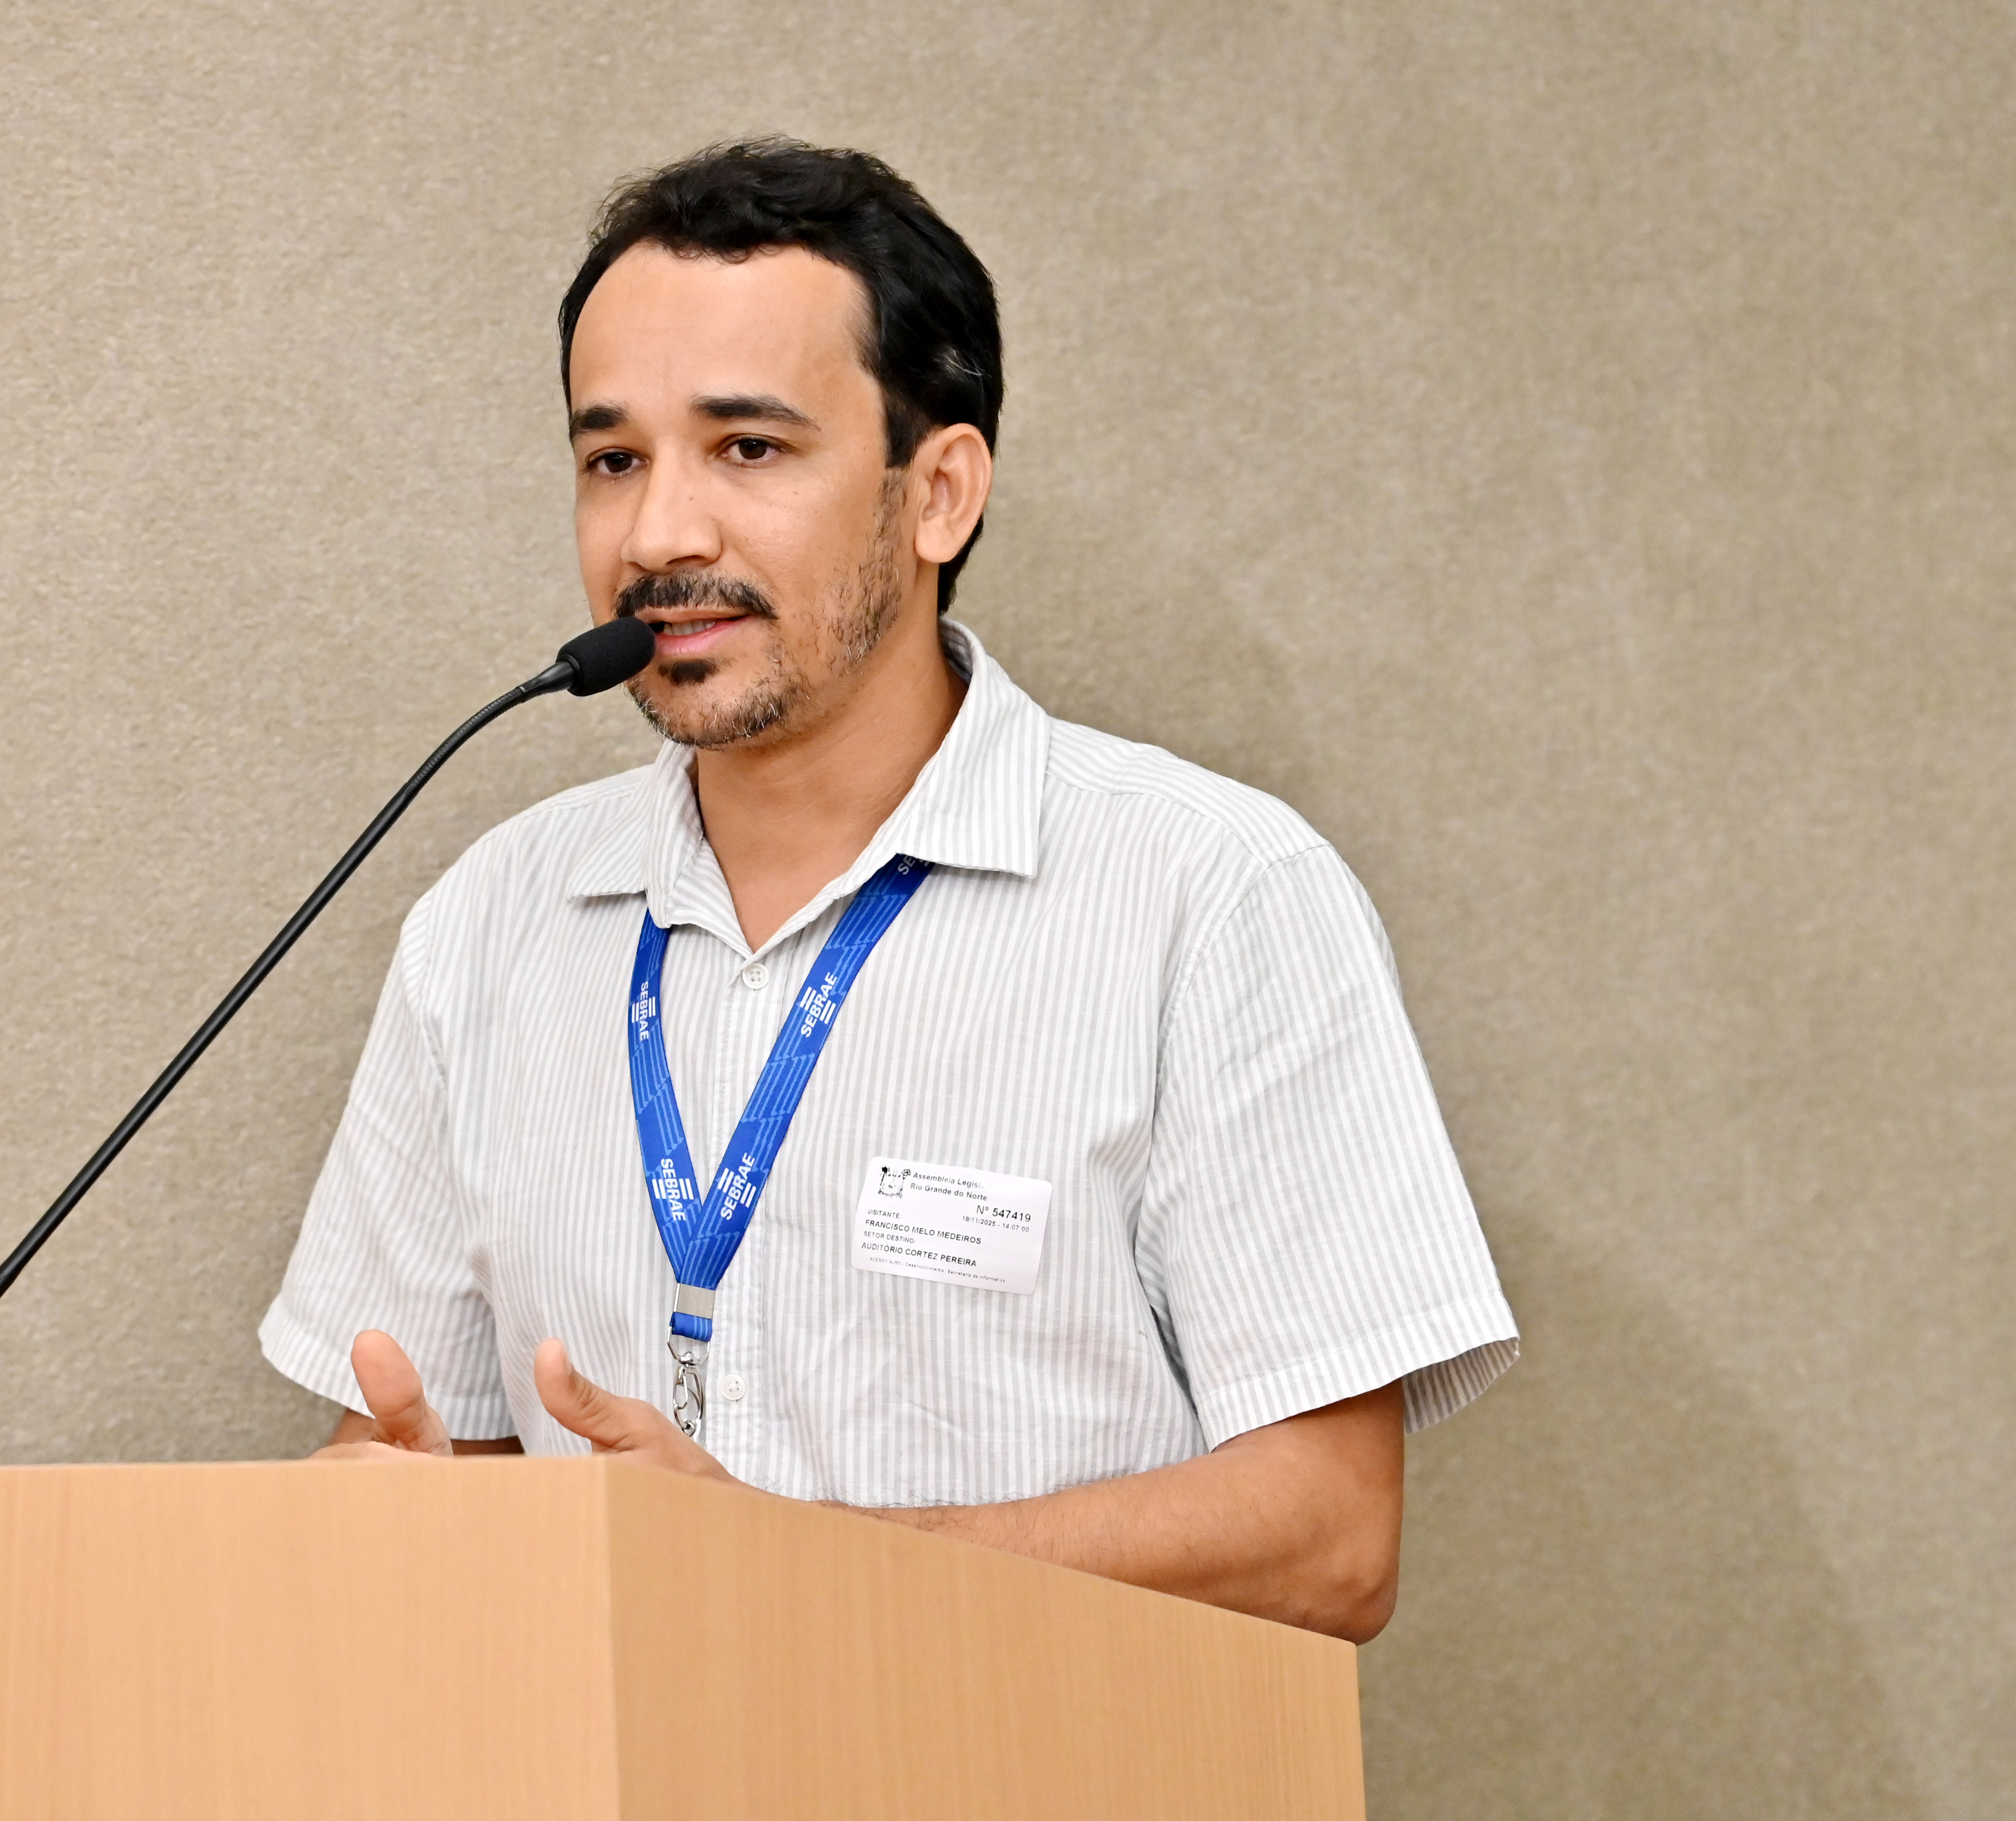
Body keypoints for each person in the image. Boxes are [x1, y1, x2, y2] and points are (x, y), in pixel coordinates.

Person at [259, 139, 1516, 1643]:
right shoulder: (489, 926)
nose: (658, 536)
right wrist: (382, 1514)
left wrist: (788, 1562)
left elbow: (1328, 1540)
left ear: (940, 494)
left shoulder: (1216, 897)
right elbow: (418, 1448)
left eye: (748, 449)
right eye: (613, 461)